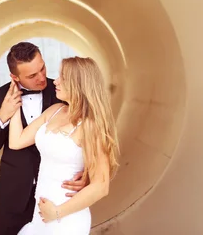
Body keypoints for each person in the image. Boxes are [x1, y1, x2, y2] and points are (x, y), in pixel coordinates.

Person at [0, 42, 88, 235]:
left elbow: (87, 138)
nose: (41, 78)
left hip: (55, 197)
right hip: (13, 198)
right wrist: (2, 116)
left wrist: (87, 173)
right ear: (15, 77)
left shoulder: (62, 93)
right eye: (32, 75)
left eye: (42, 68)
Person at [9, 56, 120, 234]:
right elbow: (17, 141)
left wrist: (57, 213)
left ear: (79, 84)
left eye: (63, 77)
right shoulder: (54, 111)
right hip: (40, 218)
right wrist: (13, 105)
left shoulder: (91, 126)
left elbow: (101, 185)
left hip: (66, 219)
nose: (56, 81)